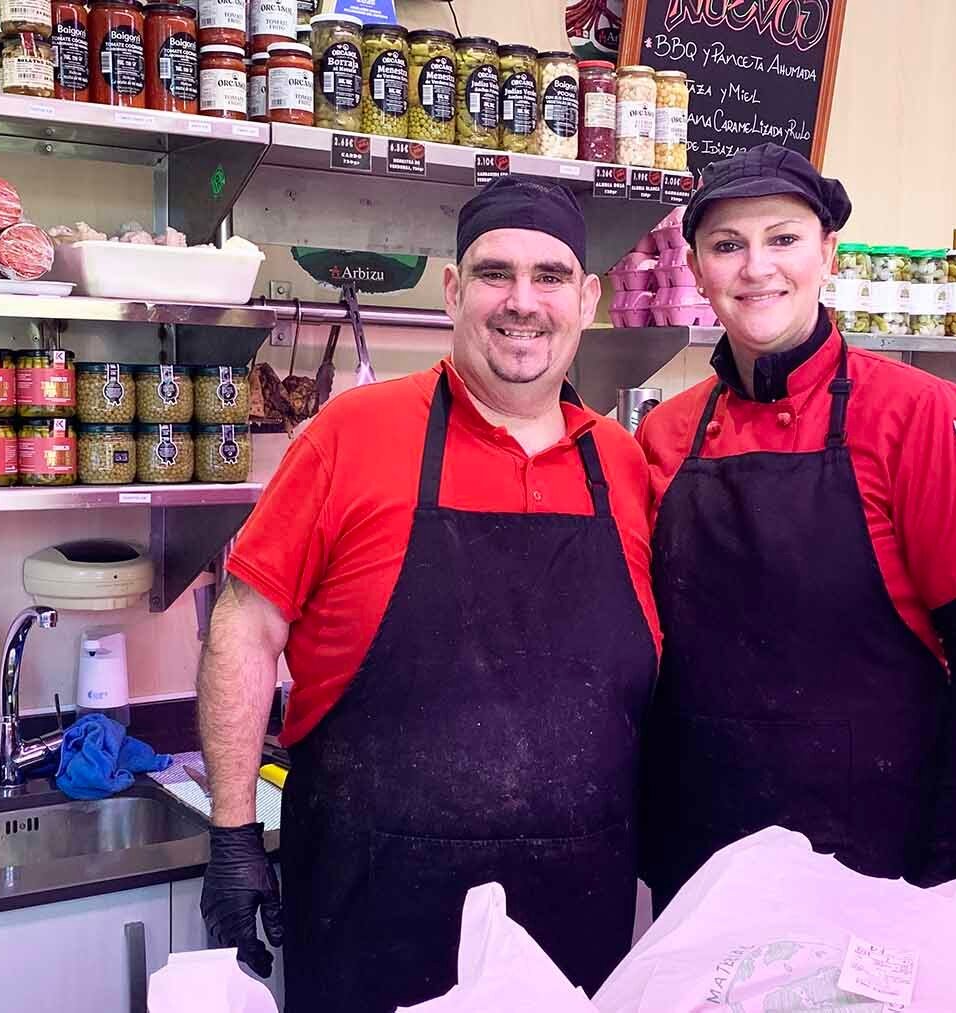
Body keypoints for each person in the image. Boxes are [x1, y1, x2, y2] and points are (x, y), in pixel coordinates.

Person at [195, 176, 660, 1013]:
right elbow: (244, 623)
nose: (523, 302)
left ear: (587, 299)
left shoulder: (622, 464)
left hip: (576, 906)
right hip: (375, 897)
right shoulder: (352, 432)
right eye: (495, 273)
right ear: (453, 290)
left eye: (551, 277)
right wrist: (233, 832)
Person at [635, 144, 956, 910]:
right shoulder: (666, 436)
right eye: (728, 246)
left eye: (782, 238)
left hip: (874, 857)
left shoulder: (918, 415)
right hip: (702, 858)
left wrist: (954, 863)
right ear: (697, 271)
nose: (757, 268)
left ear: (827, 254)